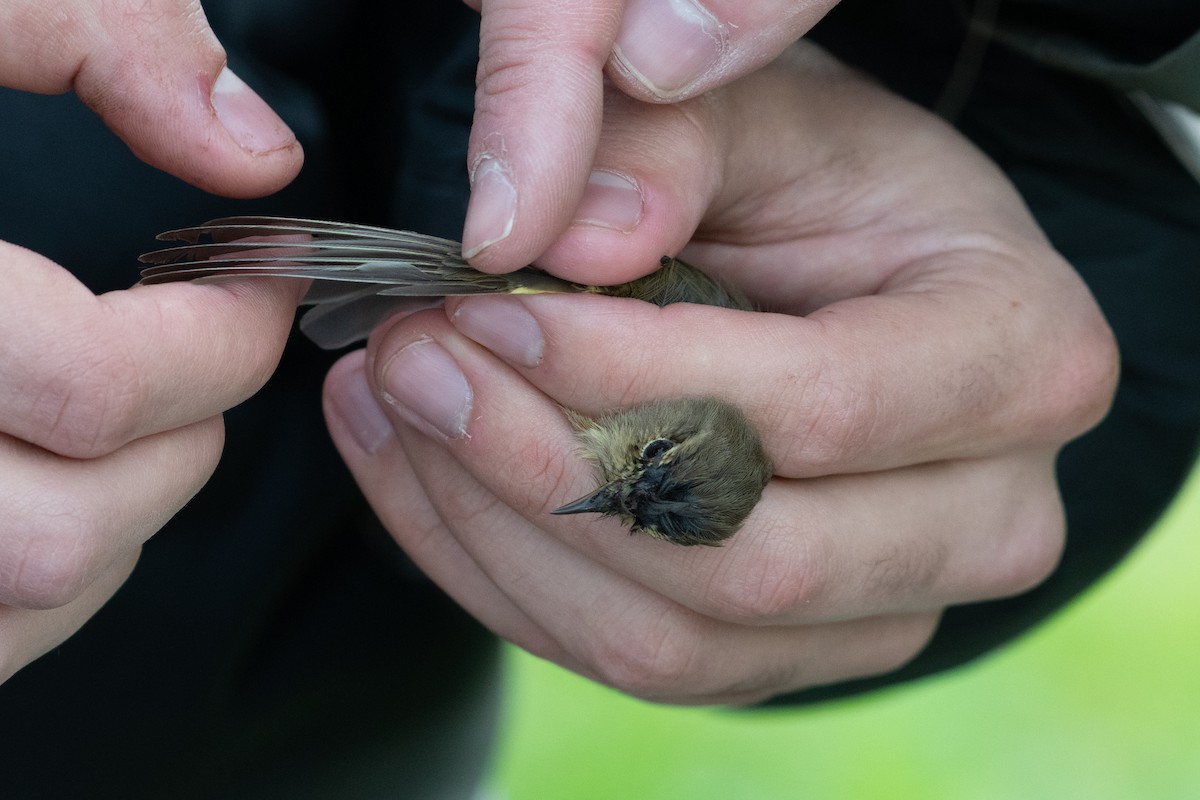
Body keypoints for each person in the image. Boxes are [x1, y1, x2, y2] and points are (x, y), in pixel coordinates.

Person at [0, 0, 1194, 797]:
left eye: (621, 498)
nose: (602, 479)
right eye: (643, 461)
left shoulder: (636, 432)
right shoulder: (655, 312)